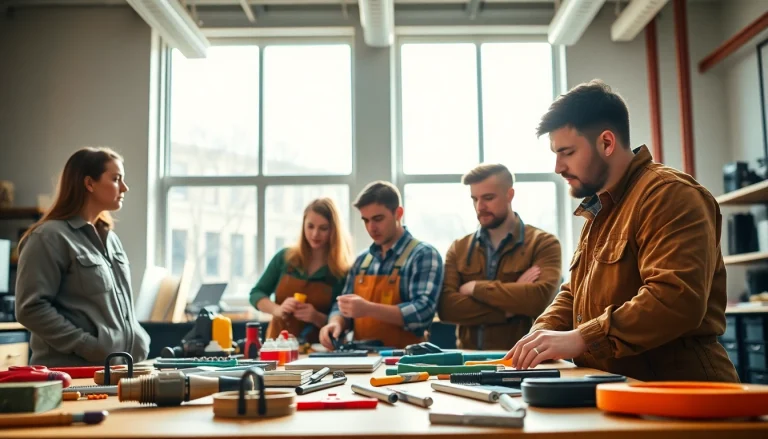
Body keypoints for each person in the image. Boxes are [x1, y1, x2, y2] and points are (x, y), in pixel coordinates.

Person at [504, 80, 739, 382]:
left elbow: (675, 299)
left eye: (567, 152)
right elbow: (575, 292)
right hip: (619, 389)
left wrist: (582, 338)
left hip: (680, 392)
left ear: (606, 143)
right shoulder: (600, 210)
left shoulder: (670, 194)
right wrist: (540, 335)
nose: (558, 167)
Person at [15, 147, 150, 366]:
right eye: (116, 179)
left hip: (117, 370)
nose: (124, 187)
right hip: (71, 374)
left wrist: (139, 339)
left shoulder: (111, 239)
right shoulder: (48, 237)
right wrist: (88, 346)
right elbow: (31, 309)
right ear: (89, 183)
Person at [438, 164, 562, 350]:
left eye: (488, 198)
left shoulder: (544, 243)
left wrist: (475, 288)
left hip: (522, 360)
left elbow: (539, 299)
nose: (480, 207)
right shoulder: (459, 248)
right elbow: (447, 308)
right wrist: (509, 310)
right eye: (475, 199)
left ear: (510, 194)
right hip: (467, 360)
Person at [318, 181, 444, 349]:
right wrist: (336, 322)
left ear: (398, 213)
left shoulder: (423, 255)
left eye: (378, 219)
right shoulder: (362, 260)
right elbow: (342, 305)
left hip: (406, 360)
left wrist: (368, 309)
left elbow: (423, 313)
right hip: (362, 358)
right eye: (366, 220)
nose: (371, 228)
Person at [249, 198, 353, 343]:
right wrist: (277, 309)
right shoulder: (284, 258)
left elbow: (346, 320)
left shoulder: (342, 271)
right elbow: (256, 293)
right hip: (278, 345)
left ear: (334, 230)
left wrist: (316, 317)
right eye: (310, 226)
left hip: (319, 348)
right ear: (303, 225)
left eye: (323, 228)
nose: (315, 234)